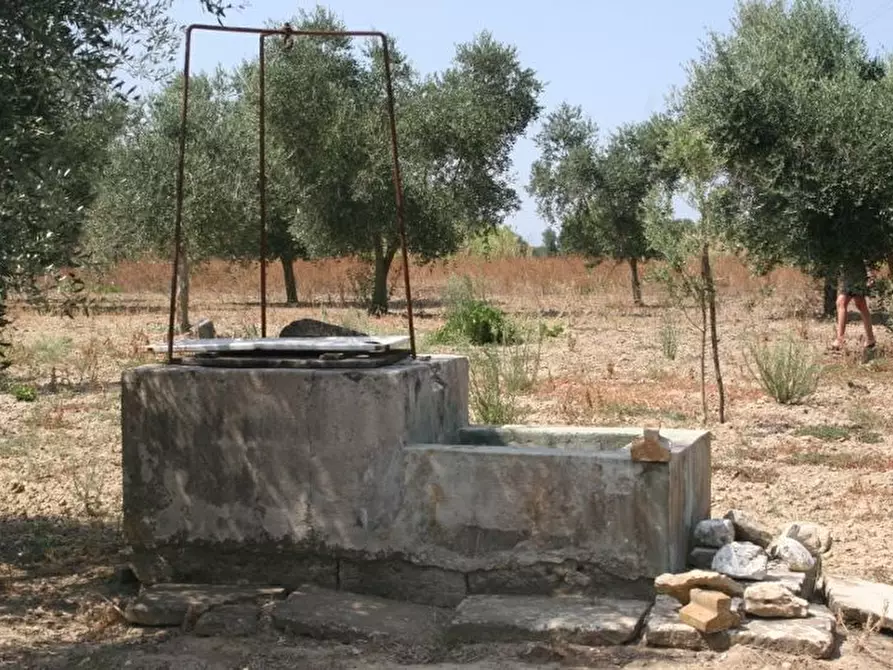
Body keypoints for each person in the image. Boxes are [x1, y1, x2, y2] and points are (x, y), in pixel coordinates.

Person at [831, 260, 876, 352]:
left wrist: (870, 274)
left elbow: (863, 252)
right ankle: (870, 339)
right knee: (860, 304)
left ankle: (840, 340)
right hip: (849, 271)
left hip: (855, 271)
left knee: (841, 302)